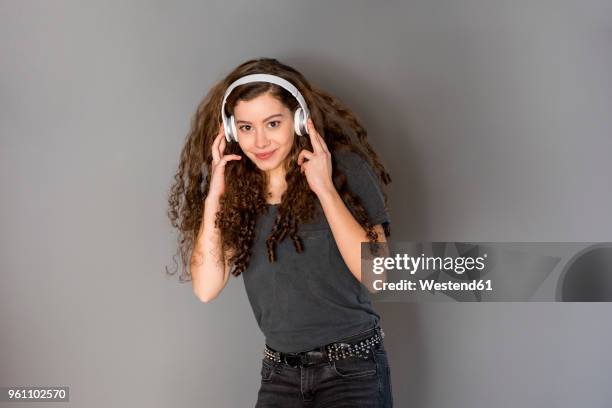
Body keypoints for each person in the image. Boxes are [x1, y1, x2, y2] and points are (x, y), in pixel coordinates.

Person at [167, 57, 394, 407]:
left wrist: (325, 190)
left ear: (299, 119)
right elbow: (206, 288)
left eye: (273, 123)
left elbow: (379, 275)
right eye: (245, 128)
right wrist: (214, 197)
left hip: (353, 368)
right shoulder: (238, 191)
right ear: (230, 131)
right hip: (280, 374)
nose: (259, 141)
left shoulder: (343, 170)